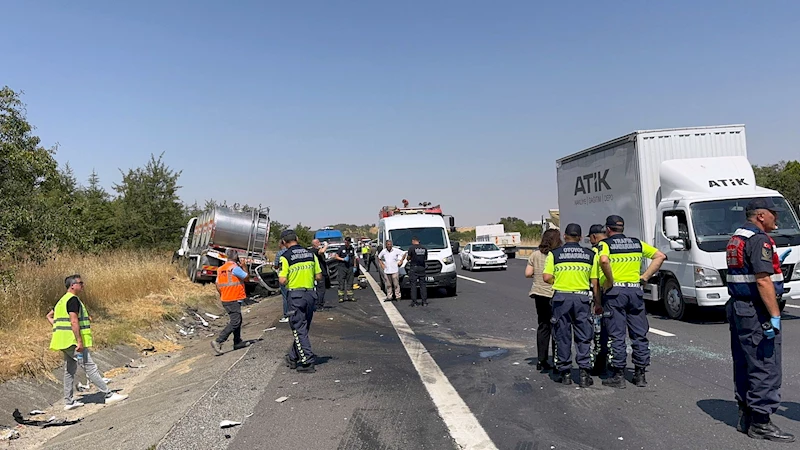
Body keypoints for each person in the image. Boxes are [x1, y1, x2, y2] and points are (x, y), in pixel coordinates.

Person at [725, 199, 794, 442]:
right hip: (756, 311)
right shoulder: (759, 239)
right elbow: (763, 280)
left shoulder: (738, 236)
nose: (777, 218)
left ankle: (746, 416)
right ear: (762, 216)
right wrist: (775, 314)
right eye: (774, 214)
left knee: (744, 361)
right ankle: (761, 422)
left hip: (740, 308)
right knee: (765, 364)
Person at [596, 215, 666, 388]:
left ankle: (618, 375)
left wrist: (610, 280)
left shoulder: (606, 244)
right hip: (635, 291)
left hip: (616, 293)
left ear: (608, 229)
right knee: (639, 333)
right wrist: (645, 277)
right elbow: (660, 256)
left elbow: (603, 260)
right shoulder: (637, 243)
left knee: (617, 334)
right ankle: (640, 374)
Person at [47, 275, 129, 410]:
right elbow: (74, 321)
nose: (83, 285)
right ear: (72, 285)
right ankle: (107, 394)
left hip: (64, 341)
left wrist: (59, 329)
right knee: (89, 366)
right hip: (73, 342)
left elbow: (49, 316)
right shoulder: (73, 300)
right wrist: (79, 341)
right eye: (80, 283)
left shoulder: (62, 300)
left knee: (69, 370)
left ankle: (69, 401)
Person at [542, 224, 598, 387]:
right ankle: (584, 374)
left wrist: (558, 281)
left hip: (561, 299)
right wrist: (598, 302)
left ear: (565, 236)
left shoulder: (555, 254)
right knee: (583, 336)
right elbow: (594, 282)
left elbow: (546, 277)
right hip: (582, 299)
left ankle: (565, 373)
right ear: (580, 238)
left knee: (563, 336)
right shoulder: (589, 254)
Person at [279, 230, 323, 373]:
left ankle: (307, 362)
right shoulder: (311, 254)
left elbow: (282, 280)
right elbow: (318, 276)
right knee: (303, 328)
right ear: (297, 239)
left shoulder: (285, 257)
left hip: (296, 296)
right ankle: (292, 357)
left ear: (284, 242)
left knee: (298, 329)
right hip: (310, 294)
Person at [525, 229, 561, 371]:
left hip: (539, 293)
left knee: (543, 326)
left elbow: (527, 273)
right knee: (557, 327)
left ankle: (541, 360)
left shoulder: (535, 255)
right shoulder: (558, 255)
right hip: (555, 294)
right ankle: (558, 359)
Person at [210, 249, 251, 355]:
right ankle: (218, 341)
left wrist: (223, 294)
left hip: (226, 298)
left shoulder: (220, 269)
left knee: (238, 319)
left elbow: (217, 284)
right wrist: (244, 266)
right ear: (236, 257)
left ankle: (237, 341)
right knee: (235, 321)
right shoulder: (234, 268)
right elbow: (246, 278)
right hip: (234, 298)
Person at [587, 224, 610, 376]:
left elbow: (594, 280)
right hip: (615, 291)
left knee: (598, 331)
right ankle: (609, 362)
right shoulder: (612, 247)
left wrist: (597, 302)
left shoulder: (595, 252)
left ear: (594, 237)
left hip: (600, 293)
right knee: (610, 330)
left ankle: (599, 364)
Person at [399, 236, 428, 306]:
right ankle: (424, 302)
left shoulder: (411, 248)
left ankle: (414, 302)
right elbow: (425, 258)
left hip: (414, 268)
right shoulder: (424, 248)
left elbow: (408, 258)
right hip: (422, 267)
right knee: (423, 285)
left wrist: (409, 258)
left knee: (413, 285)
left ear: (413, 241)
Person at [333, 237, 357, 302]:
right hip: (342, 267)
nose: (347, 243)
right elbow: (336, 256)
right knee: (341, 282)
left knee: (350, 282)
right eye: (346, 242)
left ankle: (350, 296)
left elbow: (354, 257)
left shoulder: (352, 248)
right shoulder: (341, 248)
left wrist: (354, 266)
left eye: (348, 242)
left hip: (350, 267)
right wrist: (343, 259)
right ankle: (341, 297)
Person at [309, 239, 330, 310]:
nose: (319, 243)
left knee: (319, 289)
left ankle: (319, 303)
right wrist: (326, 245)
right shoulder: (314, 251)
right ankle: (319, 305)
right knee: (320, 289)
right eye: (318, 242)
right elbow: (322, 251)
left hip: (319, 272)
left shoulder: (312, 251)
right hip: (319, 272)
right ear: (315, 244)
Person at [274, 243, 290, 323]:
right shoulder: (291, 251)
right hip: (293, 276)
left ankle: (287, 315)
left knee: (285, 296)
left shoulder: (279, 253)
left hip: (284, 276)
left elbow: (276, 265)